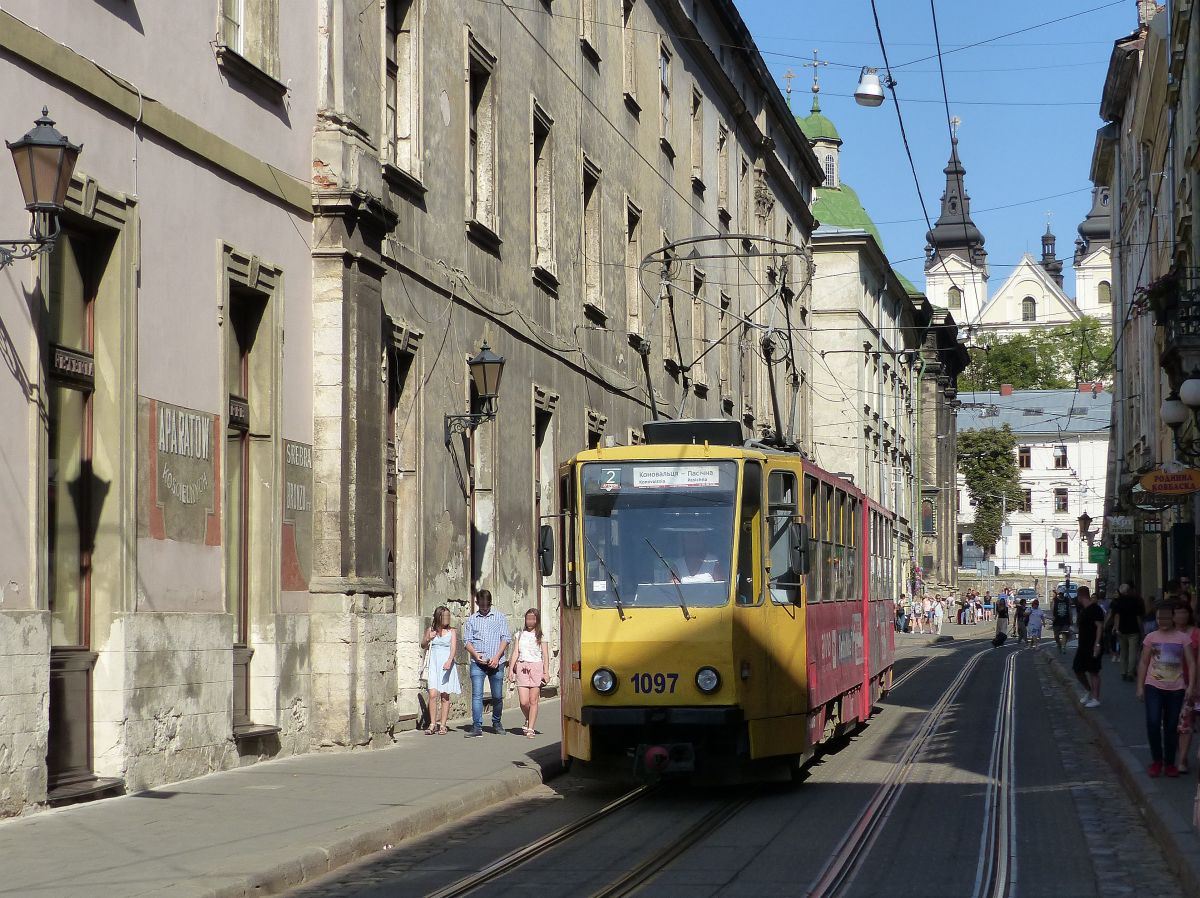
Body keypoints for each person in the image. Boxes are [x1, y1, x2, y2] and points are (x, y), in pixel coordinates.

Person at [1137, 603, 1195, 777]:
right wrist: (1140, 686)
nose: (1162, 621)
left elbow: (1191, 663)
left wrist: (1190, 686)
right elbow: (1144, 662)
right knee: (1153, 723)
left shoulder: (1182, 638)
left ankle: (1170, 763)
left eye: (1166, 618)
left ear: (1173, 618)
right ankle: (1156, 761)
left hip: (1176, 688)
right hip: (1153, 686)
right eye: (1159, 618)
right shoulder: (1151, 637)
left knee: (1171, 726)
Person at [462, 589, 511, 737]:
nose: (484, 608)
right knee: (477, 695)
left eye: (487, 605)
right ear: (476, 603)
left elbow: (506, 638)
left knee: (497, 696)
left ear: (490, 603)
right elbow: (467, 641)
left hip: (497, 662)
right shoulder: (471, 619)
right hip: (478, 663)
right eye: (481, 605)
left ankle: (496, 722)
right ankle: (477, 726)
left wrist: (496, 657)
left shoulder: (499, 617)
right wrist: (476, 655)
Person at [509, 608, 551, 738]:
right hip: (522, 667)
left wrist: (546, 672)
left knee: (533, 700)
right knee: (523, 701)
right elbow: (516, 652)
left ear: (537, 620)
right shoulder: (519, 635)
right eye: (528, 618)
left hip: (536, 667)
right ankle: (528, 718)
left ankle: (531, 728)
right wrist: (511, 669)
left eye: (533, 619)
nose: (530, 621)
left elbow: (545, 655)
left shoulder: (541, 636)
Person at [421, 606, 461, 735]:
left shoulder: (452, 632)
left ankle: (443, 724)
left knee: (445, 695)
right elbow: (423, 645)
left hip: (446, 664)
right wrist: (429, 638)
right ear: (438, 617)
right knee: (432, 694)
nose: (446, 619)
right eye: (444, 616)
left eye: (448, 616)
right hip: (433, 664)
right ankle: (432, 724)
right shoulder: (431, 630)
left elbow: (454, 648)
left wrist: (449, 661)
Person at [1174, 603, 1200, 774]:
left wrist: (1195, 684)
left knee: (1186, 722)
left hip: (1193, 684)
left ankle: (1182, 759)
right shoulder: (1167, 634)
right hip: (1172, 684)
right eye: (1178, 613)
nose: (1181, 616)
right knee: (1176, 723)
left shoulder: (1196, 633)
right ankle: (1181, 755)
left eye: (1184, 612)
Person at [1074, 586, 1105, 708]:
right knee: (1077, 669)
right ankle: (1088, 690)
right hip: (1083, 645)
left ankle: (1096, 698)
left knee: (1093, 671)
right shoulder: (1083, 610)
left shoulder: (1095, 609)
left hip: (1093, 645)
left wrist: (1097, 644)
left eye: (1078, 596)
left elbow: (1099, 626)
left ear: (1081, 596)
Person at [1108, 582, 1146, 682]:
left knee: (1123, 652)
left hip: (1121, 630)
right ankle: (1130, 673)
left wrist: (1115, 628)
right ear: (1128, 591)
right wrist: (1141, 630)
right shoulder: (1135, 601)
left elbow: (1116, 616)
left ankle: (1123, 672)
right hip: (1133, 629)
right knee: (1133, 652)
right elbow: (1138, 617)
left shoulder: (1117, 601)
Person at [1052, 588, 1073, 655]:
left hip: (1065, 620)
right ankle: (1059, 644)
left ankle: (1063, 647)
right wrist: (1052, 617)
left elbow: (1070, 609)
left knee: (1065, 633)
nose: (1061, 594)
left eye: (1062, 593)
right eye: (1060, 593)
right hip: (1057, 620)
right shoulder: (1055, 600)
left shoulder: (1067, 600)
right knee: (1056, 636)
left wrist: (1071, 618)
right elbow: (1052, 608)